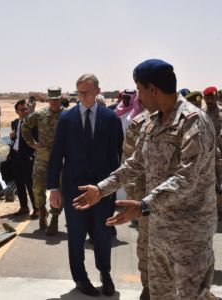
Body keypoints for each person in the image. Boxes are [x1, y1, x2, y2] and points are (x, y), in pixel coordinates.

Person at [73, 59, 217, 299]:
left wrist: (144, 205)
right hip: (158, 230)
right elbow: (136, 163)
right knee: (159, 293)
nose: (138, 98)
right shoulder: (151, 122)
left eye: (139, 90)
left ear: (152, 89)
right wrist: (101, 189)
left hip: (190, 234)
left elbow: (187, 176)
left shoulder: (194, 122)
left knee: (193, 296)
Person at [47, 74, 123, 297]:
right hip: (73, 190)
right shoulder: (67, 119)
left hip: (102, 189)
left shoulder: (111, 119)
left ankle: (105, 274)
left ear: (98, 91)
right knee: (76, 236)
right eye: (79, 92)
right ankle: (80, 278)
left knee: (102, 233)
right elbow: (56, 155)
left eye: (87, 92)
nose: (83, 96)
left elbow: (118, 155)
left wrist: (113, 187)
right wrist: (54, 188)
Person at [22, 87, 64, 235]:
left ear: (61, 99)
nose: (54, 102)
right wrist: (32, 143)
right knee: (37, 187)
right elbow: (25, 126)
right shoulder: (40, 115)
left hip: (60, 160)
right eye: (51, 99)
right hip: (42, 158)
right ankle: (41, 211)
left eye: (56, 99)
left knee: (58, 189)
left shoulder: (67, 115)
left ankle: (55, 218)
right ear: (48, 100)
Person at [121, 109, 150, 299]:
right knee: (146, 243)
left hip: (178, 201)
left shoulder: (188, 119)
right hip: (144, 197)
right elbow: (128, 159)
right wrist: (132, 193)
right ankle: (147, 287)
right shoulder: (138, 123)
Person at [9, 99, 38, 218]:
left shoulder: (33, 124)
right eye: (22, 110)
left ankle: (36, 209)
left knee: (30, 184)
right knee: (19, 183)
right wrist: (12, 136)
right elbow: (16, 139)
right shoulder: (15, 123)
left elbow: (37, 140)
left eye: (26, 109)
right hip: (16, 156)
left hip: (27, 157)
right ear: (17, 111)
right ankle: (24, 207)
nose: (25, 111)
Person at [203, 86, 222, 217]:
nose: (210, 100)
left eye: (212, 97)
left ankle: (220, 211)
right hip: (205, 154)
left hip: (219, 154)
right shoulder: (201, 113)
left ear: (216, 97)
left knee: (220, 183)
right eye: (208, 97)